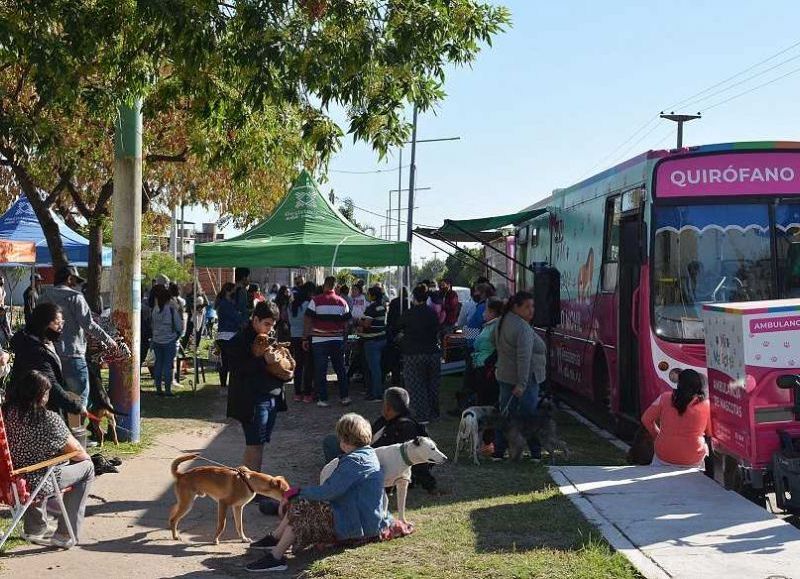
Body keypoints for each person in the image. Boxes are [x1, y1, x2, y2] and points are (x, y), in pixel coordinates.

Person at [246, 413, 386, 572]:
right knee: (303, 501)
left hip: (358, 528)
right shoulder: (367, 454)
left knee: (303, 508)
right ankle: (276, 538)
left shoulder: (355, 461)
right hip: (362, 520)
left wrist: (295, 492)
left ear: (344, 439)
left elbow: (329, 492)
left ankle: (276, 557)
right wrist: (298, 494)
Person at [3, 370, 94, 549]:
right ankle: (64, 534)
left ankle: (35, 527)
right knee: (87, 468)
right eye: (46, 393)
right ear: (39, 395)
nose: (47, 397)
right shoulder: (47, 418)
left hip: (10, 480)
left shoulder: (5, 413)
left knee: (34, 464)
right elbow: (79, 453)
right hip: (37, 480)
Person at [41, 265, 117, 410]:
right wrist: (108, 340)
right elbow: (89, 325)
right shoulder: (75, 298)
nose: (76, 285)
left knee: (55, 400)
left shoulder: (43, 297)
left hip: (49, 356)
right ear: (69, 279)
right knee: (79, 400)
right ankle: (76, 431)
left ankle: (62, 429)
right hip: (73, 356)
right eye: (75, 281)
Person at [226, 301, 286, 474]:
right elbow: (238, 369)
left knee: (259, 444)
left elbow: (277, 368)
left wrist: (284, 367)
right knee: (255, 444)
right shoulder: (240, 340)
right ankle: (252, 488)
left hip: (271, 396)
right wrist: (264, 361)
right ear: (255, 320)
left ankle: (248, 486)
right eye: (266, 324)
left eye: (272, 325)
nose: (269, 329)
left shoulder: (271, 338)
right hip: (252, 400)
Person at [491, 291, 544, 461]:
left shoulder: (502, 321)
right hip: (525, 379)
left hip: (504, 375)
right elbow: (524, 357)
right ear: (516, 307)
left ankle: (499, 451)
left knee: (505, 414)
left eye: (533, 306)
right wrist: (521, 383)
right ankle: (535, 452)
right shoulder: (522, 327)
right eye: (527, 307)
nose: (531, 311)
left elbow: (496, 345)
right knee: (529, 416)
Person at [9, 303, 84, 417]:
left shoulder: (42, 341)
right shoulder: (33, 351)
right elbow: (51, 385)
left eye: (62, 322)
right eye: (57, 323)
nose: (61, 327)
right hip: (33, 413)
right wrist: (75, 406)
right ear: (43, 324)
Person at [642, 369, 712, 468]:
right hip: (693, 458)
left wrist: (657, 435)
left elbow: (646, 419)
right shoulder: (706, 405)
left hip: (664, 454)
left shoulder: (664, 398)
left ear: (679, 383)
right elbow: (709, 432)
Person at [305, 276, 352, 407]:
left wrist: (305, 337)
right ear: (335, 286)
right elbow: (347, 323)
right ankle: (344, 397)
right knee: (340, 369)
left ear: (324, 285)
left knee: (321, 370)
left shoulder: (315, 301)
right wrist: (344, 337)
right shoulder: (342, 302)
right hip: (336, 340)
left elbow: (308, 320)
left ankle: (323, 399)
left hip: (318, 340)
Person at [453, 297, 504, 413]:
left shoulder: (495, 327)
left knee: (484, 398)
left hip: (486, 367)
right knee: (474, 391)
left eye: (485, 311)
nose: (483, 313)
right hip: (479, 363)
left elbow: (497, 347)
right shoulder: (487, 324)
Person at [398, 284, 441, 423]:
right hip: (432, 352)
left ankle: (421, 415)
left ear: (414, 298)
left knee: (416, 385)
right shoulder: (432, 313)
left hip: (414, 353)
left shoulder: (409, 313)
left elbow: (397, 325)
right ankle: (434, 412)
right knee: (432, 384)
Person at [150, 285, 182, 396]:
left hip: (157, 340)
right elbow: (179, 326)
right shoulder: (171, 311)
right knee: (168, 366)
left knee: (158, 364)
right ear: (169, 299)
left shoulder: (155, 310)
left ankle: (158, 389)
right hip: (169, 341)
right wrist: (177, 335)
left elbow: (152, 325)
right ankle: (168, 390)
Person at [359, 286, 387, 401]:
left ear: (373, 295)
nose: (367, 295)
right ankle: (374, 390)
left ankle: (376, 393)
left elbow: (366, 324)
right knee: (376, 368)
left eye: (369, 293)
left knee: (374, 368)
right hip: (381, 338)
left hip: (372, 341)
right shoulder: (382, 306)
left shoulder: (372, 308)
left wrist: (358, 320)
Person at [289, 282, 315, 403]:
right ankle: (307, 393)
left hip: (294, 336)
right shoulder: (308, 305)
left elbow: (287, 319)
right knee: (308, 365)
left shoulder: (291, 305)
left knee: (298, 365)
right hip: (306, 336)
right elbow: (310, 321)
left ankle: (297, 393)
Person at [215, 282, 243, 389]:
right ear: (228, 291)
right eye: (233, 290)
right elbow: (236, 318)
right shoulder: (226, 304)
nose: (235, 293)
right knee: (230, 363)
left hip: (222, 335)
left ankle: (223, 385)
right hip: (229, 335)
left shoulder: (222, 303)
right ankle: (229, 386)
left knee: (225, 362)